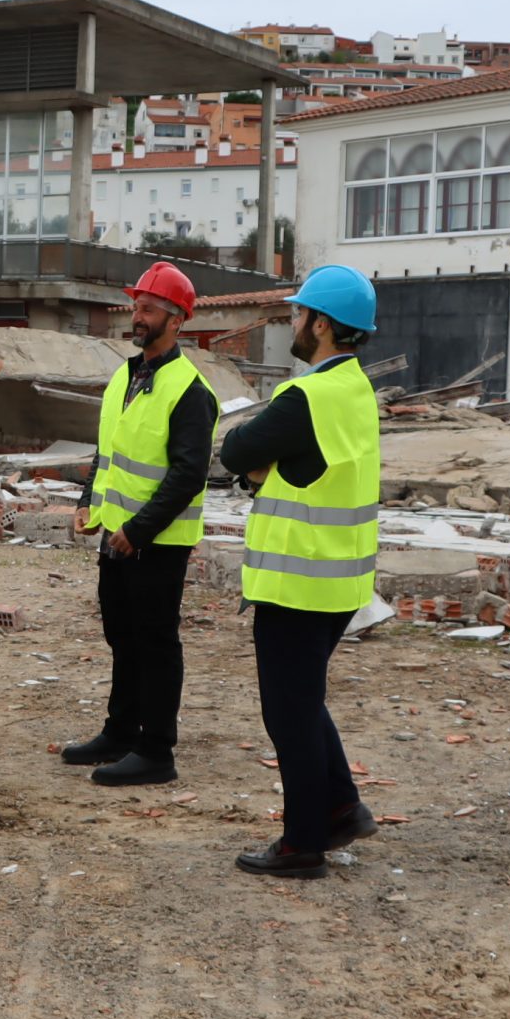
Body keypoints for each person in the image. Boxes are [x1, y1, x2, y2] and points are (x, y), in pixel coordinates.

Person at [219, 265, 384, 881]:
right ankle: (341, 807)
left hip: (297, 583)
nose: (292, 322)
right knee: (304, 701)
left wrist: (259, 468)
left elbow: (235, 451)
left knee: (288, 712)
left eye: (297, 314)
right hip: (338, 583)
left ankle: (302, 842)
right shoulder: (356, 390)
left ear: (320, 323)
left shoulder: (305, 397)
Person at [57, 261, 218, 788]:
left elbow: (189, 474)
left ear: (177, 320)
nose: (138, 315)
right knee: (122, 637)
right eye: (136, 306)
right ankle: (120, 731)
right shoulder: (126, 376)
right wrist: (88, 501)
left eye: (148, 308)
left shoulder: (190, 390)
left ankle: (156, 751)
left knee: (155, 642)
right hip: (115, 536)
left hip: (157, 543)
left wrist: (140, 530)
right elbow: (110, 452)